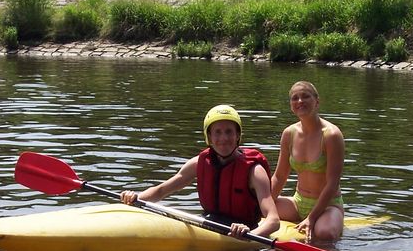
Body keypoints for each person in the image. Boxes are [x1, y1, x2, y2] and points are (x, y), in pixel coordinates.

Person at [120, 105, 280, 239]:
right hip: (210, 224)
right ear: (209, 137)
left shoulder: (255, 171)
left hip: (244, 231)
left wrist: (249, 235)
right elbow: (162, 190)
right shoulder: (199, 162)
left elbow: (273, 220)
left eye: (229, 131)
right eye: (217, 132)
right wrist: (136, 197)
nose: (223, 138)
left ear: (238, 135)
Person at [271, 81, 345, 241]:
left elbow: (332, 183)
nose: (300, 101)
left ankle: (329, 225)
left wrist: (311, 218)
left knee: (325, 234)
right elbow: (280, 176)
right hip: (298, 202)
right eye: (295, 98)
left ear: (317, 102)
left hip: (328, 205)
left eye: (305, 96)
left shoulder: (331, 135)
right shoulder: (289, 134)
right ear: (291, 105)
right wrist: (264, 207)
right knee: (257, 208)